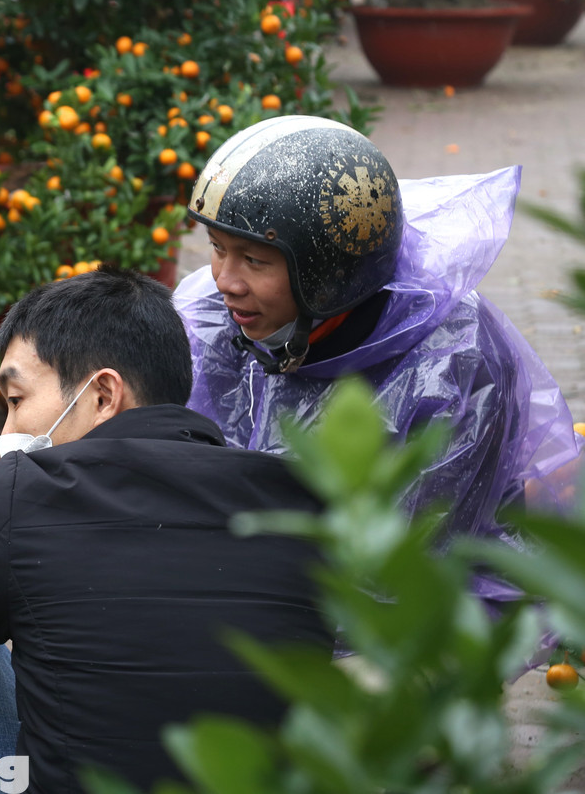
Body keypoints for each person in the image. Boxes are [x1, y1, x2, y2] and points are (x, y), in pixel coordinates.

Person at [0, 267, 332, 794]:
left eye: (16, 400)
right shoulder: (296, 500)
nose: (6, 431)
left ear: (102, 395)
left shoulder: (28, 491)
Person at [176, 114, 581, 605]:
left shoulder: (454, 360)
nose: (225, 280)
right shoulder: (207, 314)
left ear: (331, 272)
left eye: (254, 260)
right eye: (217, 249)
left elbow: (420, 561)